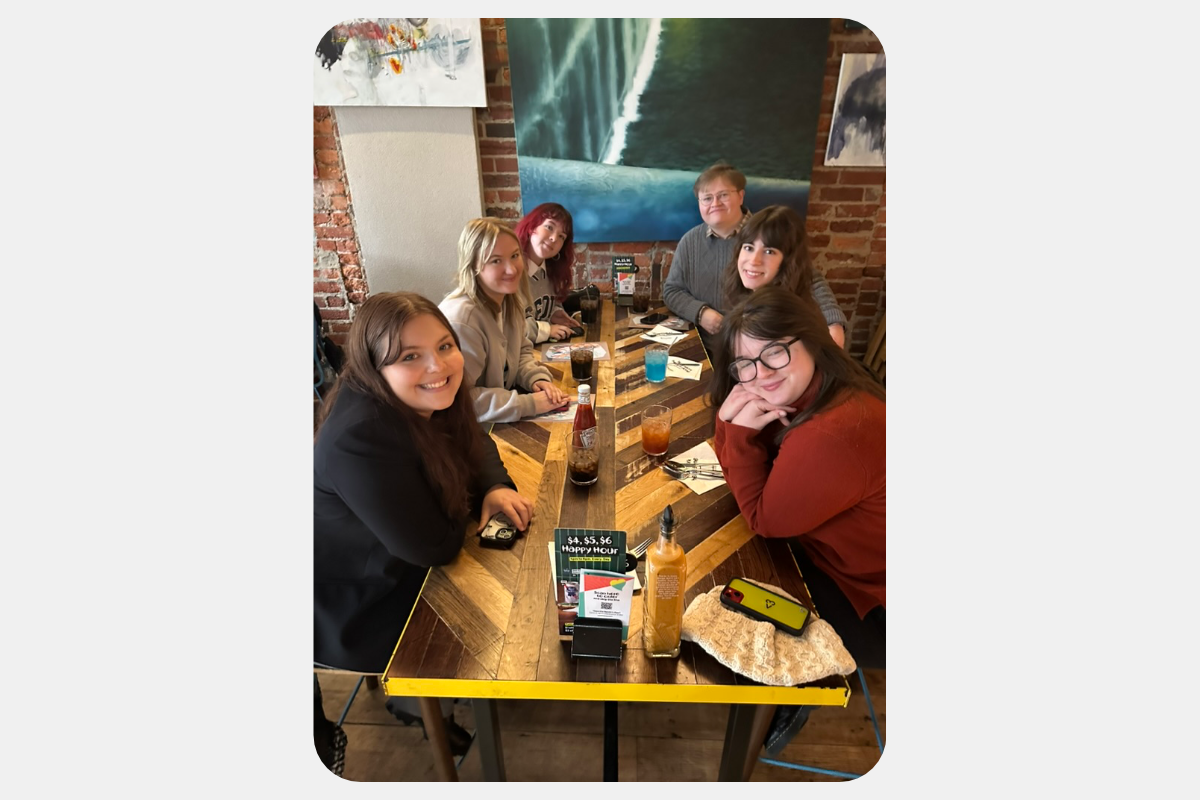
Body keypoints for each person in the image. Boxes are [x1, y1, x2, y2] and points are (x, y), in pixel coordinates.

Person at [313, 291, 536, 757]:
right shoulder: (359, 436)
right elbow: (434, 545)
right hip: (362, 596)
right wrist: (469, 501)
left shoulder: (425, 393)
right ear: (376, 366)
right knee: (500, 597)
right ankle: (423, 700)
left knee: (517, 568)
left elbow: (472, 437)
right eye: (411, 356)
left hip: (405, 549)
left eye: (444, 346)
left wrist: (492, 486)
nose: (438, 366)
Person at [708, 286, 884, 754]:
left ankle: (795, 687)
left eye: (775, 353)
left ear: (812, 340)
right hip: (835, 555)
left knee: (739, 586)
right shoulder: (824, 387)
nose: (760, 374)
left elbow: (764, 517)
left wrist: (734, 431)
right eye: (746, 363)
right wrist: (733, 430)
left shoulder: (832, 430)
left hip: (869, 598)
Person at [661, 162, 847, 350]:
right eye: (707, 198)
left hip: (760, 348)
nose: (715, 203)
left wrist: (833, 323)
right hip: (706, 348)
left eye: (723, 195)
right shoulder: (690, 241)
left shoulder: (769, 232)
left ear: (741, 196)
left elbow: (808, 278)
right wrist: (701, 313)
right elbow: (672, 291)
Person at [440, 217, 570, 423]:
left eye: (515, 256)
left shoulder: (509, 300)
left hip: (498, 421)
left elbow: (521, 352)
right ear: (473, 265)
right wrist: (529, 404)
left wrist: (536, 379)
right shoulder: (462, 319)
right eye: (496, 260)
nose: (511, 269)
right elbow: (458, 399)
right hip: (466, 434)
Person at [515, 202, 580, 343]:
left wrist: (554, 313)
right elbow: (507, 328)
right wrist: (547, 330)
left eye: (561, 236)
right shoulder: (510, 273)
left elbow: (546, 303)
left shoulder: (551, 271)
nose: (554, 238)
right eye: (549, 227)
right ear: (532, 227)